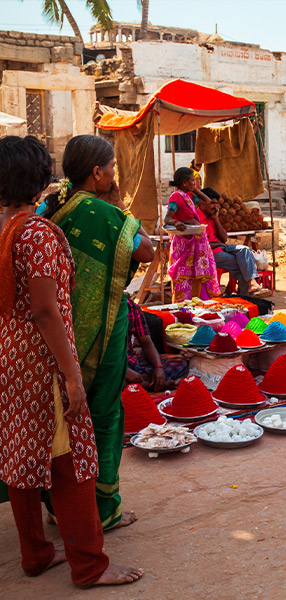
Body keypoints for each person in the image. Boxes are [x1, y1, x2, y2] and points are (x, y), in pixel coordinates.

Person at [0, 135, 143, 587]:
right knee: (74, 459)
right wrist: (71, 374)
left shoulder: (5, 226)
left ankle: (36, 554)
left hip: (12, 354)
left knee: (22, 457)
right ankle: (89, 565)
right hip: (43, 358)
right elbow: (45, 309)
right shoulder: (37, 233)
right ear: (39, 178)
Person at [42, 134, 154, 531]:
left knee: (61, 417)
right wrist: (120, 205)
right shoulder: (102, 213)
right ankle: (103, 509)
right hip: (102, 330)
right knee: (104, 414)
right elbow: (147, 251)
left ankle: (59, 505)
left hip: (55, 333)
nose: (114, 173)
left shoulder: (52, 208)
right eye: (112, 167)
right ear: (97, 172)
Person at [195, 187, 270, 296]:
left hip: (221, 247)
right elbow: (202, 245)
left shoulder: (212, 217)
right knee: (242, 265)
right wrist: (219, 244)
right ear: (202, 203)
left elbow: (224, 238)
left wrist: (216, 219)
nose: (215, 207)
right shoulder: (197, 219)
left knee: (244, 250)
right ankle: (247, 296)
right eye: (212, 203)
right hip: (209, 253)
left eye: (216, 204)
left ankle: (252, 283)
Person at [164, 167, 221, 302]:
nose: (194, 184)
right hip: (185, 242)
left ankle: (199, 302)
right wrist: (176, 222)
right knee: (185, 276)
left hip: (196, 240)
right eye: (192, 181)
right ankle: (183, 304)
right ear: (184, 183)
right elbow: (167, 219)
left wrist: (194, 189)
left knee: (198, 275)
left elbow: (207, 200)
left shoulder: (189, 197)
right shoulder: (176, 197)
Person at [126, 297, 187, 391]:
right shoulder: (98, 310)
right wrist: (124, 372)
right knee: (105, 379)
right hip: (109, 365)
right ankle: (149, 384)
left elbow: (146, 343)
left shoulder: (131, 307)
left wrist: (158, 367)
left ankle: (141, 383)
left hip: (132, 360)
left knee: (180, 361)